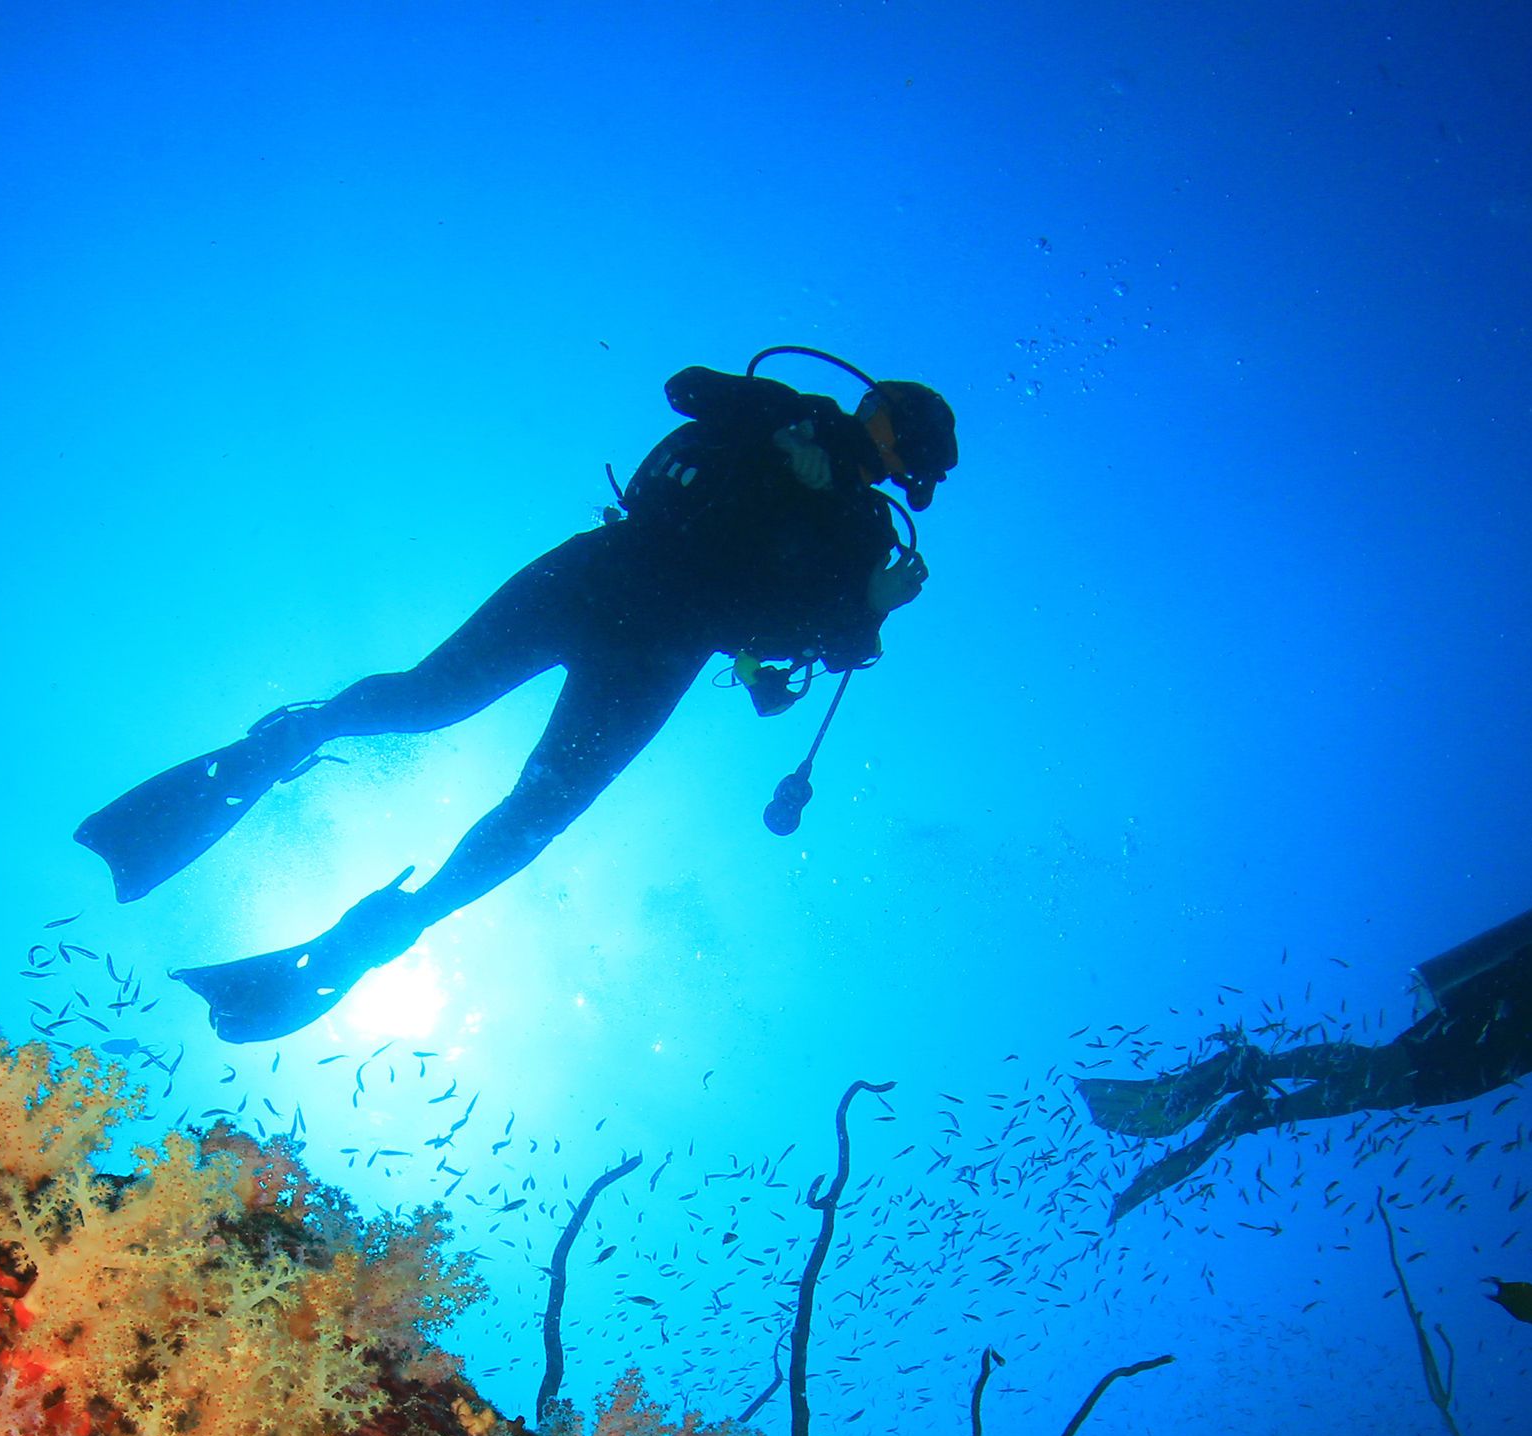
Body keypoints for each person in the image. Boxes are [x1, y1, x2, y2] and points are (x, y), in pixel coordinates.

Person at [76, 352, 959, 1043]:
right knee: (432, 701)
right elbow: (684, 388)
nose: (878, 437)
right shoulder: (787, 413)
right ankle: (272, 751)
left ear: (902, 460)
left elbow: (802, 658)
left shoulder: (863, 535)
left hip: (663, 647)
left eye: (894, 439)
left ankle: (384, 928)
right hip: (611, 573)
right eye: (888, 423)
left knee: (540, 806)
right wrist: (771, 423)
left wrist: (874, 608)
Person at [1081, 870, 1532, 1218]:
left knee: (1382, 1090)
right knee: (1385, 1069)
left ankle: (1258, 1108)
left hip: (1490, 1053)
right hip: (1487, 1027)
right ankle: (1258, 1074)